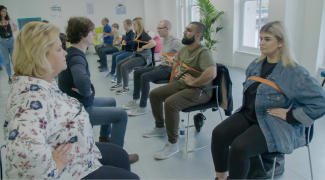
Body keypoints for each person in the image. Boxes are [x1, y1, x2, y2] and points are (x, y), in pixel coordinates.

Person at [4, 21, 139, 180]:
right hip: (70, 167)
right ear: (40, 56)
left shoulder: (42, 82)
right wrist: (54, 168)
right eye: (59, 49)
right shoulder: (31, 103)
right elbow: (23, 153)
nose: (65, 53)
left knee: (120, 156)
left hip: (75, 146)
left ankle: (105, 141)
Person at [211, 21, 325, 180]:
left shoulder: (294, 72)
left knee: (239, 148)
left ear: (281, 42)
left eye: (267, 39)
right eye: (260, 38)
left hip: (273, 122)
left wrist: (290, 115)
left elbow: (320, 102)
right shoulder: (255, 65)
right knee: (218, 134)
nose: (262, 43)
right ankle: (221, 178)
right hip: (251, 115)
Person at [58, 17, 139, 164]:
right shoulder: (77, 57)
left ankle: (104, 139)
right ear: (83, 35)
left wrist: (85, 90)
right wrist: (86, 90)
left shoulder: (72, 51)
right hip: (80, 109)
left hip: (76, 103)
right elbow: (82, 81)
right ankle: (117, 156)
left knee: (111, 101)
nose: (94, 34)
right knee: (121, 115)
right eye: (91, 31)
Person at [143, 22, 217, 159]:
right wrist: (177, 71)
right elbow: (176, 60)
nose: (184, 32)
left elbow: (211, 74)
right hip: (183, 84)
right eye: (185, 29)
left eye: (189, 30)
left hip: (200, 90)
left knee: (170, 103)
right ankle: (160, 127)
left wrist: (194, 82)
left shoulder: (204, 52)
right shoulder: (184, 49)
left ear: (198, 35)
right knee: (154, 94)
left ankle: (173, 144)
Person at [122, 20, 183, 116]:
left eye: (160, 28)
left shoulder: (175, 41)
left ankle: (142, 107)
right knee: (137, 72)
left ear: (167, 29)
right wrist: (162, 55)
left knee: (145, 77)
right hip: (161, 66)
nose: (157, 30)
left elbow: (187, 54)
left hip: (169, 69)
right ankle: (135, 100)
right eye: (157, 28)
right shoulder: (164, 40)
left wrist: (174, 58)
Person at [110, 17, 156, 94]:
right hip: (136, 55)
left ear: (139, 25)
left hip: (143, 58)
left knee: (124, 67)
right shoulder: (136, 34)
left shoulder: (144, 34)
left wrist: (142, 47)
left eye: (134, 24)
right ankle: (119, 83)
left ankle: (125, 88)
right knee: (119, 64)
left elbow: (153, 43)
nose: (133, 26)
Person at [0, 5, 18, 83]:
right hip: (2, 42)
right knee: (7, 61)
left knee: (14, 59)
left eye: (5, 11)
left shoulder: (9, 20)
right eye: (3, 11)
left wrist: (12, 32)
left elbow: (16, 26)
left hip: (11, 40)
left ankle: (16, 74)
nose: (4, 12)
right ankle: (10, 77)